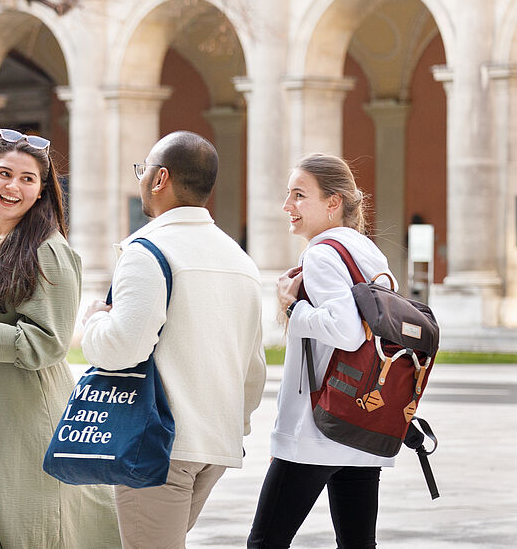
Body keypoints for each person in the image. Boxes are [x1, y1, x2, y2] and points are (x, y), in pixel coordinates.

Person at [81, 130, 267, 549]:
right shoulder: (240, 260)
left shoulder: (147, 251)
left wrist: (93, 322)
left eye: (143, 170)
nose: (141, 178)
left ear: (160, 178)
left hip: (158, 444)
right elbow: (253, 367)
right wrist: (235, 427)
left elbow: (122, 349)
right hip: (215, 444)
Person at [0, 129, 119, 549]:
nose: (13, 186)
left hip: (26, 416)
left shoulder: (50, 249)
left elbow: (49, 343)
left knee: (30, 529)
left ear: (43, 190)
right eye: (5, 173)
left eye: (28, 179)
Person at [247, 153, 397, 548]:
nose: (287, 206)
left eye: (299, 195)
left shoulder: (322, 254)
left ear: (333, 203)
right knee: (357, 543)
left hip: (320, 424)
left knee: (265, 543)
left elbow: (344, 331)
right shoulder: (370, 255)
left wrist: (292, 307)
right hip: (363, 421)